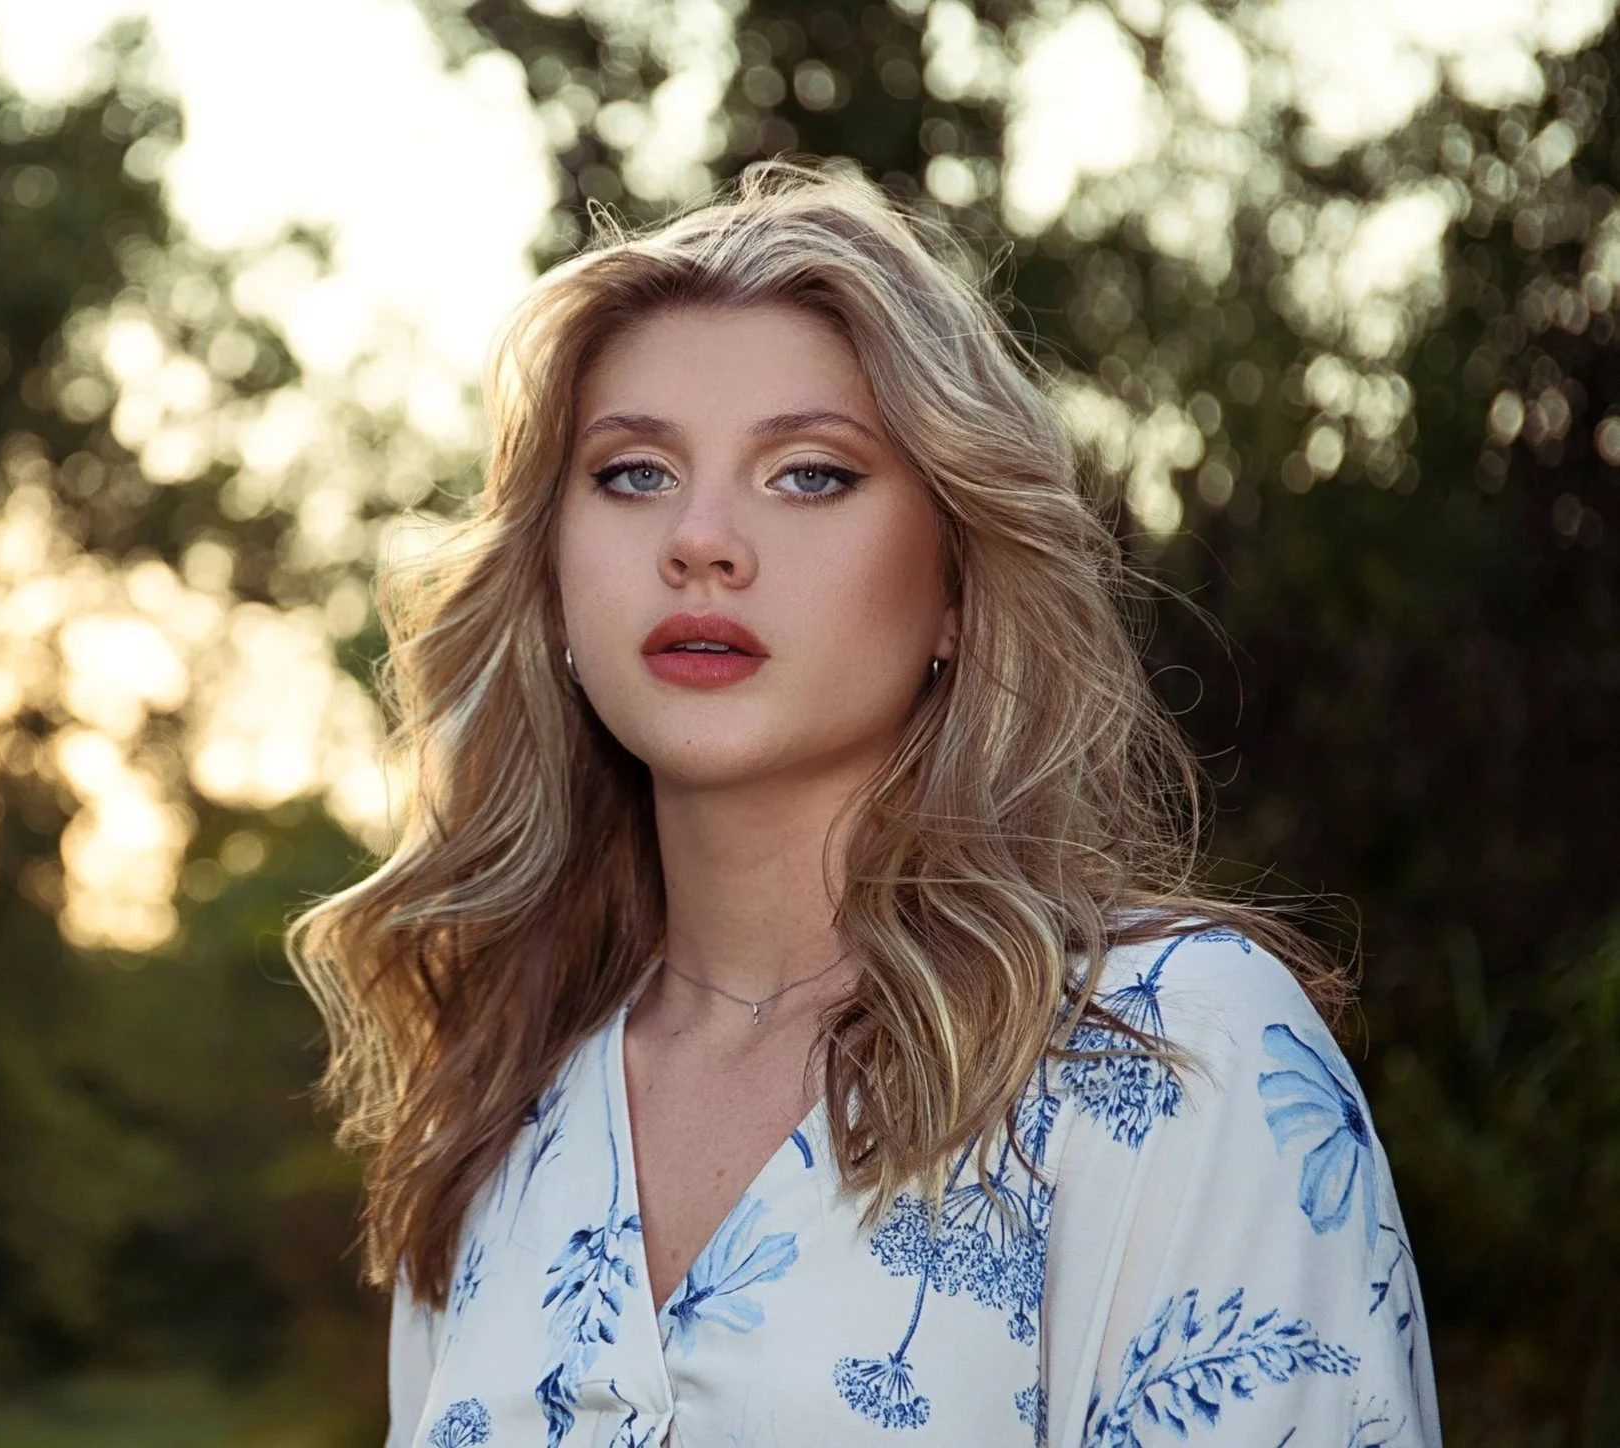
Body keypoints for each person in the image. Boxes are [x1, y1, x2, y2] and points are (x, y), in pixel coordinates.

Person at [284, 160, 1440, 1447]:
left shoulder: (1171, 1053)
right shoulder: (496, 1107)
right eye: (630, 474)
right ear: (553, 584)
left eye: (811, 474)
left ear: (954, 580)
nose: (701, 540)